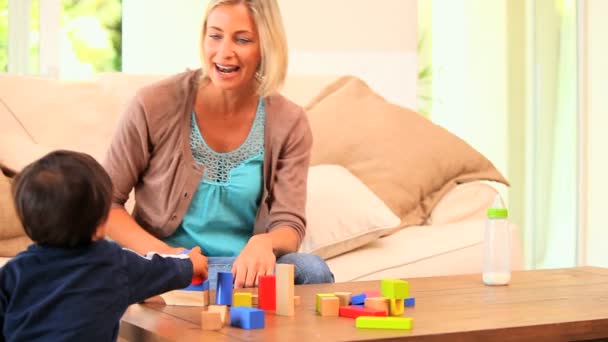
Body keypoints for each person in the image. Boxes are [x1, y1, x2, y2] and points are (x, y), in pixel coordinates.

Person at [103, 0, 334, 289]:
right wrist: (170, 257)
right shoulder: (152, 104)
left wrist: (264, 243)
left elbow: (290, 224)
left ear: (266, 45)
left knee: (312, 270)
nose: (224, 52)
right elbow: (105, 203)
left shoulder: (289, 121)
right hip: (164, 268)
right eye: (215, 36)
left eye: (242, 39)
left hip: (242, 275)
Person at [0, 150, 208, 341]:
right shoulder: (114, 263)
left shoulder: (13, 273)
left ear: (27, 224)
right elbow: (163, 269)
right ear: (101, 222)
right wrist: (191, 263)